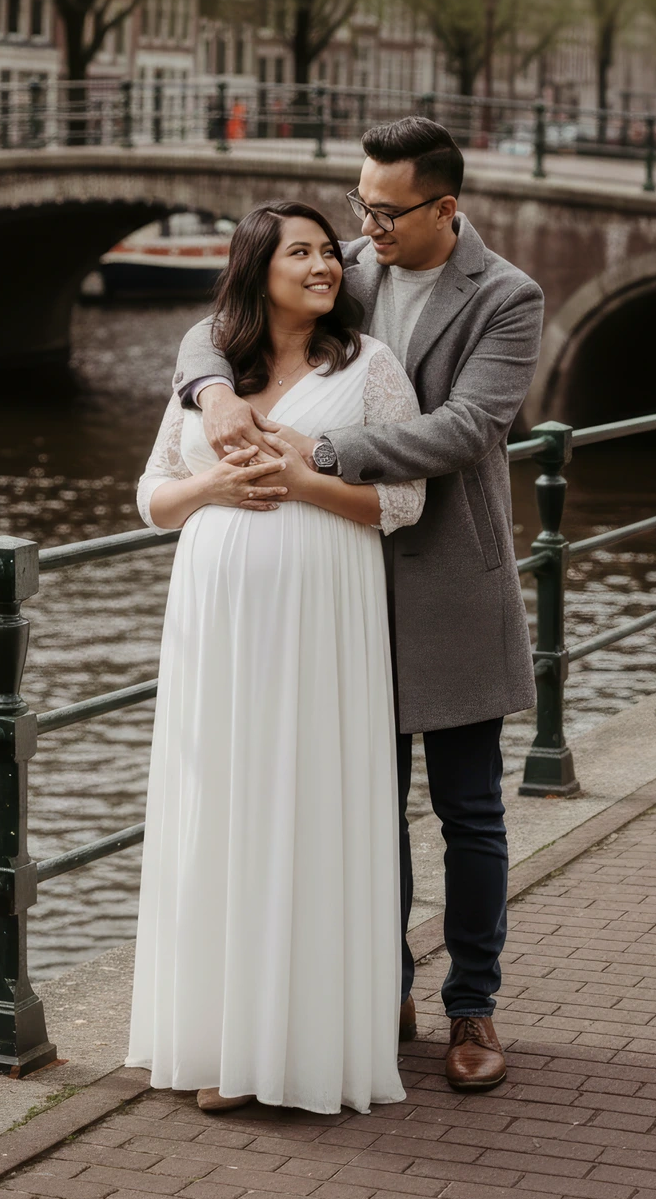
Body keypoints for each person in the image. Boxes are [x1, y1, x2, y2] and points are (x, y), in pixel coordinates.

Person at [173, 117, 543, 1092]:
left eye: (383, 211)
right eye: (357, 205)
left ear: (443, 207)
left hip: (446, 585)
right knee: (356, 806)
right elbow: (219, 318)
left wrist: (324, 453)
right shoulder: (343, 262)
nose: (359, 229)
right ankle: (379, 988)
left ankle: (473, 1007)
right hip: (339, 591)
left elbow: (464, 428)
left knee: (467, 812)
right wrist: (209, 391)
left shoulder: (507, 297)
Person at [126, 202, 425, 1115]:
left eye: (331, 252)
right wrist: (212, 485)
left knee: (308, 803)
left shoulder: (369, 366)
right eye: (301, 251)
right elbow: (149, 498)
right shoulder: (209, 371)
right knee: (222, 807)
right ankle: (219, 1034)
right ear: (258, 267)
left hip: (323, 618)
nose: (326, 264)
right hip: (216, 624)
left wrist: (302, 482)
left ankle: (297, 1047)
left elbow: (406, 503)